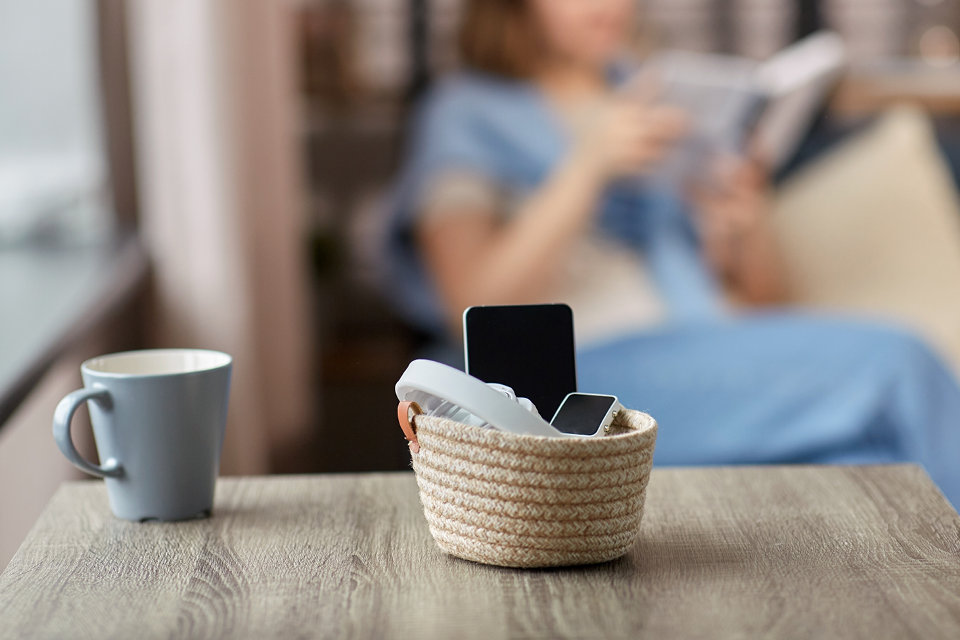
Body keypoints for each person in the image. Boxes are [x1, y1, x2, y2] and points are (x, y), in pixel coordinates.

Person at [378, 0, 960, 507]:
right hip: (582, 381)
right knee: (900, 363)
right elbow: (470, 299)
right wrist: (586, 169)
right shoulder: (466, 115)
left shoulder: (658, 97)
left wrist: (744, 223)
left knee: (871, 460)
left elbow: (767, 308)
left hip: (702, 355)